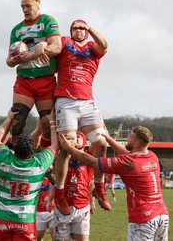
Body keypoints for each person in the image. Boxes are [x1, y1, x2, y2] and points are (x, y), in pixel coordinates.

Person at [58, 126, 169, 241]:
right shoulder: (151, 156)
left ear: (136, 144)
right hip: (162, 216)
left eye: (130, 137)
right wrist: (108, 138)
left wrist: (69, 148)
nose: (127, 138)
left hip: (144, 219)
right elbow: (128, 153)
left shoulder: (128, 162)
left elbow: (92, 162)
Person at [53, 19, 109, 215]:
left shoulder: (93, 48)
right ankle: (59, 193)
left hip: (87, 102)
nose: (80, 31)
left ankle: (100, 189)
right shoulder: (65, 42)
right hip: (66, 101)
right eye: (76, 28)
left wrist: (90, 28)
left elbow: (105, 45)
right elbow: (53, 45)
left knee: (101, 145)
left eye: (82, 29)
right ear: (71, 31)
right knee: (67, 148)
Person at [0, 109, 58, 240]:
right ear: (32, 151)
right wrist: (52, 122)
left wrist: (9, 119)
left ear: (14, 149)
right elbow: (55, 145)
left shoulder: (5, 159)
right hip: (25, 220)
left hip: (2, 218)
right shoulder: (39, 164)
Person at [6, 0, 61, 148]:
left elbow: (57, 47)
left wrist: (31, 55)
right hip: (24, 80)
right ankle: (19, 156)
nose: (25, 9)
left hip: (45, 79)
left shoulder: (47, 21)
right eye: (22, 6)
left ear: (37, 5)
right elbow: (8, 60)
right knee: (17, 119)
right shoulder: (17, 30)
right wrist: (12, 61)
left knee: (47, 125)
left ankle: (45, 162)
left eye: (28, 6)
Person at [53, 131, 95, 241]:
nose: (74, 138)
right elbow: (56, 182)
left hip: (82, 208)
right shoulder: (62, 158)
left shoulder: (88, 158)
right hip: (63, 206)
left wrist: (92, 201)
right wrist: (49, 199)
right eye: (72, 137)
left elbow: (91, 184)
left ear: (84, 142)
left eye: (78, 137)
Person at [36, 176, 55, 241]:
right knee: (38, 238)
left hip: (52, 212)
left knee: (56, 237)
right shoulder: (35, 178)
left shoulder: (53, 178)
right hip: (38, 213)